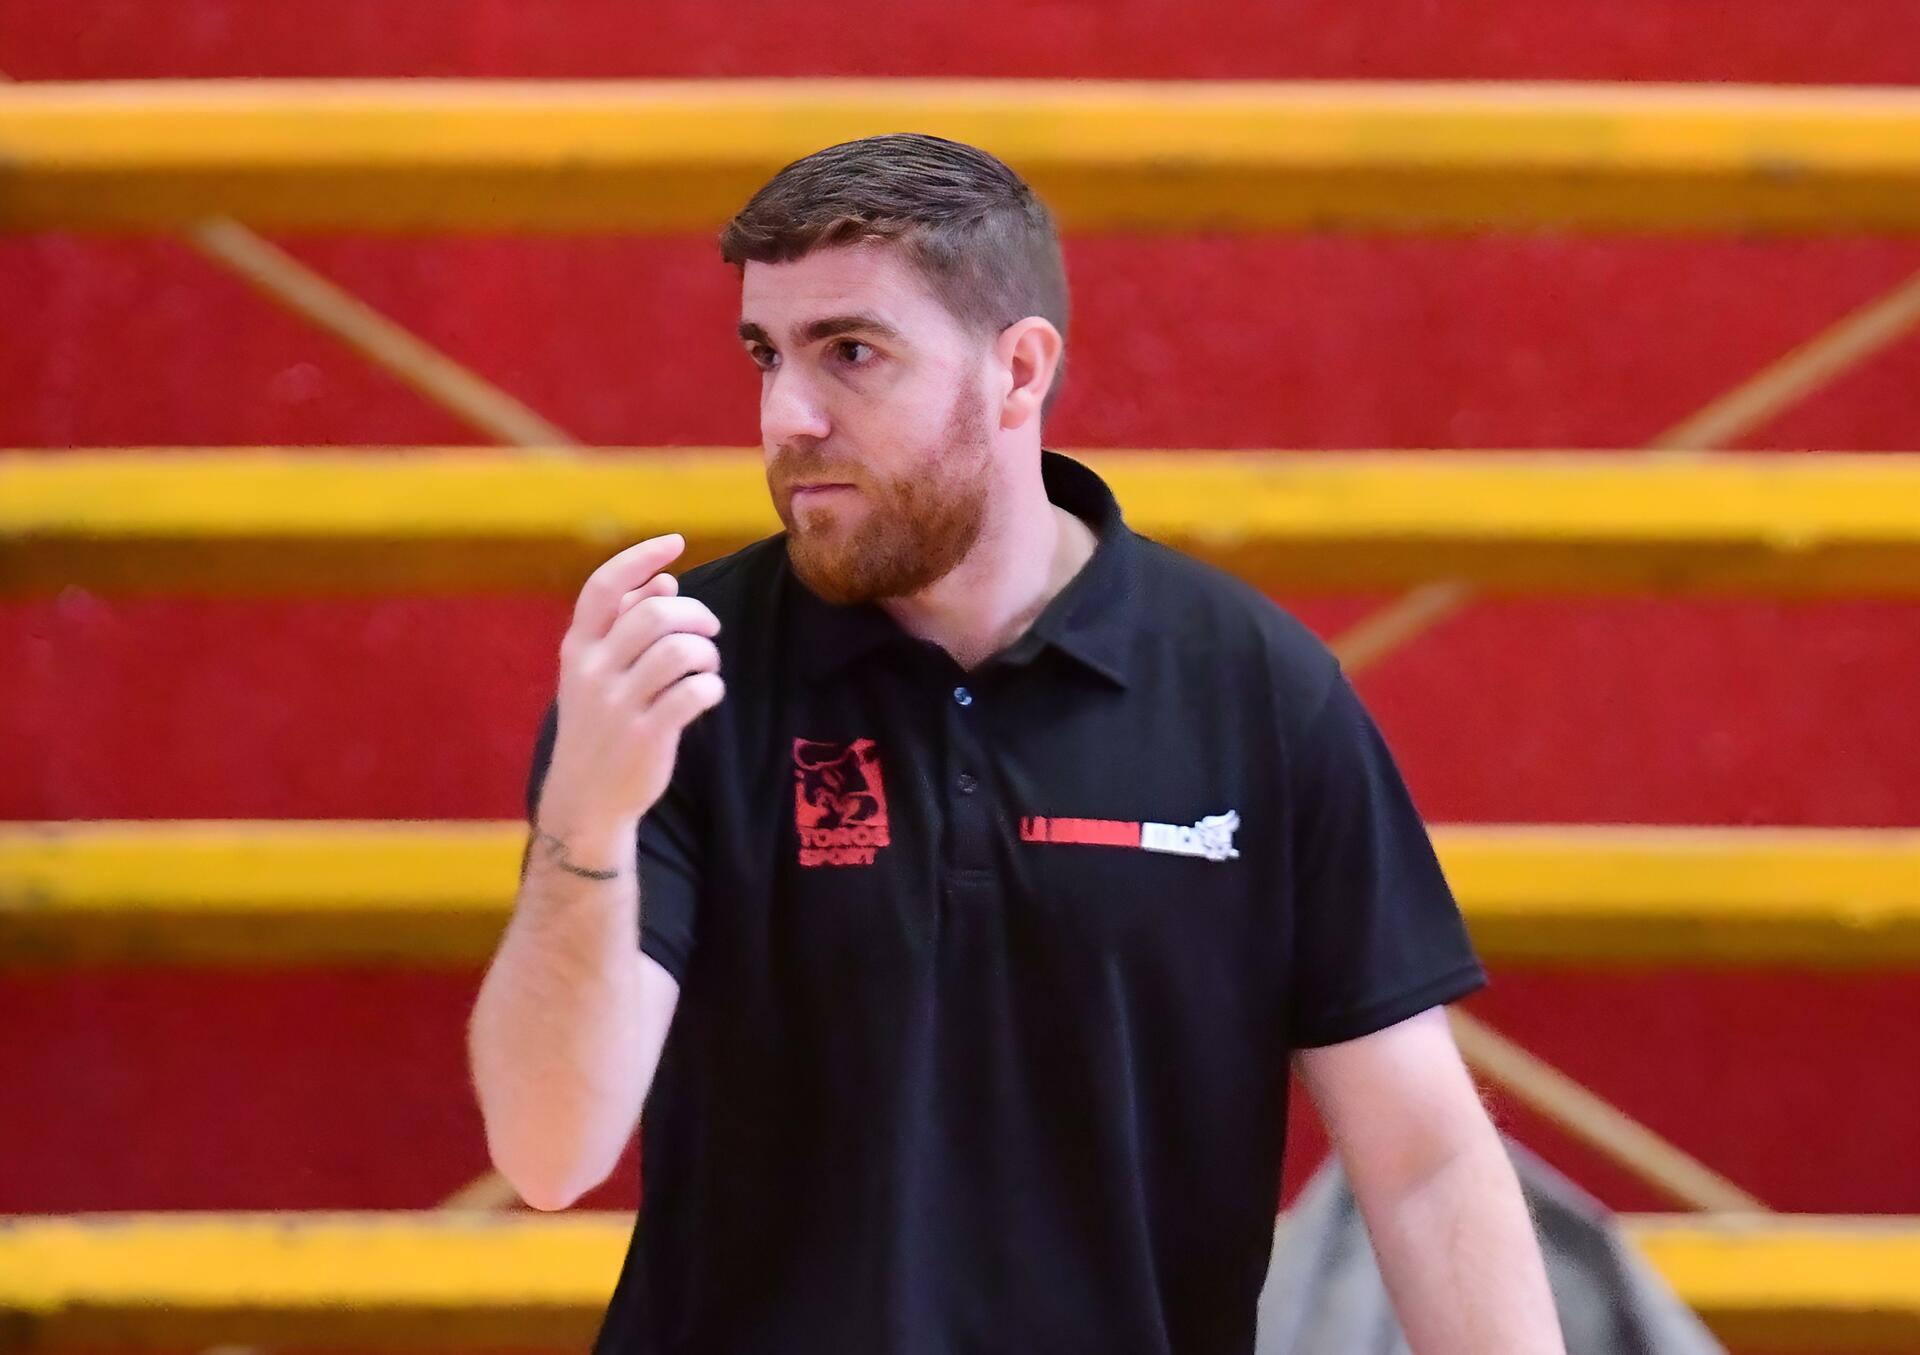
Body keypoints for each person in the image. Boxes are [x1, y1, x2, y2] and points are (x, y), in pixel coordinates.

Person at [468, 132, 1565, 1355]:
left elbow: (1423, 1163)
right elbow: (548, 1151)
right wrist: (585, 822)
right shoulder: (680, 673)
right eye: (766, 354)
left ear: (1018, 369)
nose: (788, 416)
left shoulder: (1253, 686)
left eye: (850, 352)